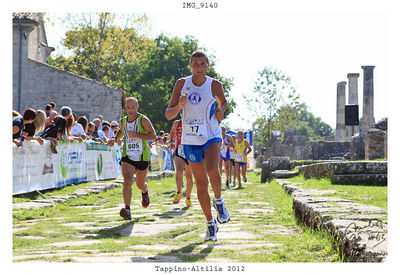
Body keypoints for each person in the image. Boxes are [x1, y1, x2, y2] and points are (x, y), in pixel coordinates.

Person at [165, 50, 230, 242]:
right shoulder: (181, 84)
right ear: (190, 66)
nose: (199, 68)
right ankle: (211, 223)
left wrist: (220, 110)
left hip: (211, 135)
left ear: (208, 65)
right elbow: (169, 114)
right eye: (196, 64)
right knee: (201, 184)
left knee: (212, 168)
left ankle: (219, 201)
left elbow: (224, 103)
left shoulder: (214, 84)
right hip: (190, 139)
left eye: (203, 64)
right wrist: (180, 105)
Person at [108, 97, 156, 220]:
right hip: (127, 155)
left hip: (142, 156)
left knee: (140, 184)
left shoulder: (143, 120)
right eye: (128, 107)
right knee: (127, 180)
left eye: (132, 107)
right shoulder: (123, 121)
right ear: (125, 108)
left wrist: (137, 135)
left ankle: (145, 191)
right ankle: (127, 209)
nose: (130, 109)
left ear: (137, 107)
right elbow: (121, 132)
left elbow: (153, 136)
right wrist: (115, 139)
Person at [169, 119, 194, 206]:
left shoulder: (194, 121)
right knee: (179, 171)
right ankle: (179, 191)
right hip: (179, 149)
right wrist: (171, 141)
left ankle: (188, 197)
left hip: (190, 150)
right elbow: (172, 132)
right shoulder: (177, 123)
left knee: (189, 177)